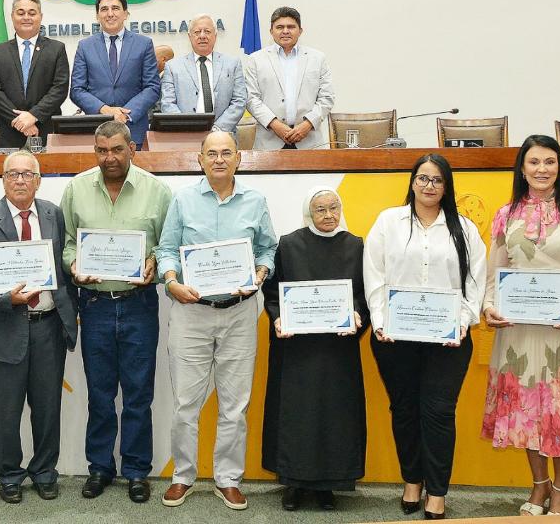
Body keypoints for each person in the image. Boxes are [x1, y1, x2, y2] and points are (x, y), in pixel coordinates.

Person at [481, 135, 560, 516]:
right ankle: (538, 487)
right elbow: (495, 273)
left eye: (550, 162)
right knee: (524, 404)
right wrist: (490, 305)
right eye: (534, 162)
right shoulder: (506, 214)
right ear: (522, 168)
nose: (542, 169)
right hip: (519, 328)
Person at [155, 131, 276, 511]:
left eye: (227, 153)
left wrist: (259, 274)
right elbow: (166, 249)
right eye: (212, 153)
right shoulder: (184, 201)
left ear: (239, 159)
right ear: (200, 159)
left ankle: (228, 478)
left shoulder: (255, 202)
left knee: (234, 405)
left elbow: (268, 248)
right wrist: (172, 282)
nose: (220, 159)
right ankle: (183, 476)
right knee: (185, 403)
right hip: (191, 312)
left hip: (239, 313)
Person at [364, 154, 486, 519]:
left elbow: (475, 282)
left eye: (437, 180)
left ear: (447, 186)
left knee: (438, 412)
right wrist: (381, 321)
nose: (429, 186)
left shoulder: (464, 229)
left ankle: (438, 492)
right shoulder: (389, 222)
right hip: (394, 338)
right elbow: (374, 273)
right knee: (404, 410)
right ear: (412, 182)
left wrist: (462, 323)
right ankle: (412, 481)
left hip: (448, 341)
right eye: (423, 179)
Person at [59, 120, 171, 503]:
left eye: (117, 150)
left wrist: (156, 262)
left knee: (139, 394)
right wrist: (74, 265)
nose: (110, 158)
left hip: (140, 305)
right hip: (95, 306)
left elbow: (169, 245)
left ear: (132, 149)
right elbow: (68, 244)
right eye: (102, 151)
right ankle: (100, 467)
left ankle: (137, 470)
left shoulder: (158, 192)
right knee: (100, 395)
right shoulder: (75, 189)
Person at [0, 150, 78, 503]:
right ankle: (9, 473)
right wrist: (4, 298)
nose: (20, 180)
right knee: (8, 409)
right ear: (3, 179)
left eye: (28, 174)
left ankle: (44, 471)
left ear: (39, 180)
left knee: (47, 407)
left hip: (49, 326)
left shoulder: (53, 214)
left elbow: (65, 263)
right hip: (8, 323)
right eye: (13, 174)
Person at [262, 186, 367, 512]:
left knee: (334, 416)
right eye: (320, 210)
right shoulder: (289, 244)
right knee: (296, 414)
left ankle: (329, 486)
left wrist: (357, 313)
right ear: (309, 213)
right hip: (297, 351)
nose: (328, 215)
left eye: (333, 208)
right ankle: (293, 483)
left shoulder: (356, 246)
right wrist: (278, 318)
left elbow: (366, 294)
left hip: (338, 352)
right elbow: (273, 293)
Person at [70, 0, 160, 147]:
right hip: (96, 131)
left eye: (115, 8)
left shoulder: (144, 44)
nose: (109, 13)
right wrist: (105, 110)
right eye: (104, 9)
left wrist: (124, 114)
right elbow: (77, 90)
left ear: (126, 14)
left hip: (134, 130)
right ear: (97, 16)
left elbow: (152, 87)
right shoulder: (85, 46)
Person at [243, 7, 335, 149]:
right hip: (269, 142)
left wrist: (307, 124)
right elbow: (251, 98)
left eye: (291, 27)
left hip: (309, 141)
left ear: (300, 30)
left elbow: (326, 98)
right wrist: (275, 125)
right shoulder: (256, 59)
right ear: (271, 31)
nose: (285, 31)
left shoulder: (317, 58)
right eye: (280, 27)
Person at [0, 0, 69, 150]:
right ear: (12, 16)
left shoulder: (56, 49)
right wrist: (19, 121)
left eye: (32, 13)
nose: (26, 17)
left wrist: (33, 116)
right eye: (21, 12)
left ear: (40, 17)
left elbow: (60, 88)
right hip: (9, 133)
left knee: (48, 174)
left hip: (44, 130)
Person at [158, 15, 247, 135]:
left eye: (207, 31)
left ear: (215, 36)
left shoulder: (233, 64)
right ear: (189, 37)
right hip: (184, 137)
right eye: (197, 32)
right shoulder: (173, 67)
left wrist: (217, 130)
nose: (202, 36)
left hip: (223, 136)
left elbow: (239, 101)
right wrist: (188, 129)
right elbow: (167, 104)